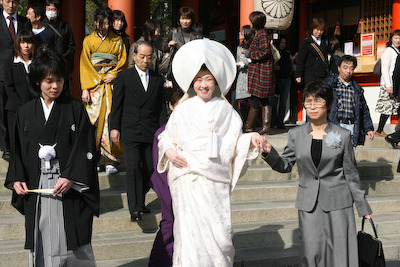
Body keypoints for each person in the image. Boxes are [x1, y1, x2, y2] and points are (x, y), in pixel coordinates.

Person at [157, 39, 266, 267]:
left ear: (216, 80)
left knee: (220, 237)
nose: (203, 85)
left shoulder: (228, 111)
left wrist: (251, 140)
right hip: (188, 181)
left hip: (215, 184)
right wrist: (169, 151)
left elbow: (236, 145)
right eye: (198, 79)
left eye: (208, 78)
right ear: (191, 82)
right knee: (189, 240)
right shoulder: (183, 109)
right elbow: (166, 136)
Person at [4, 46, 99, 267]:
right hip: (38, 187)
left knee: (71, 237)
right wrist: (17, 177)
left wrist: (71, 176)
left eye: (59, 80)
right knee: (40, 235)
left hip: (68, 186)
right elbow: (17, 150)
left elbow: (85, 147)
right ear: (38, 81)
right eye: (48, 81)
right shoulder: (25, 112)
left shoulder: (75, 109)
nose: (55, 86)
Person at [262, 80, 372, 267]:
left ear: (328, 104)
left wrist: (363, 207)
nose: (312, 106)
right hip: (308, 203)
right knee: (310, 252)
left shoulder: (342, 135)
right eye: (308, 101)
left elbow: (351, 174)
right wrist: (268, 152)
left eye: (318, 101)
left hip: (338, 202)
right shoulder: (296, 134)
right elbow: (285, 165)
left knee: (338, 253)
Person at [110, 41, 166, 222]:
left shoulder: (157, 78)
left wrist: (163, 131)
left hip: (150, 130)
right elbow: (116, 105)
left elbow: (160, 109)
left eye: (149, 56)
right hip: (130, 129)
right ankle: (135, 209)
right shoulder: (124, 77)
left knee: (150, 168)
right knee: (133, 167)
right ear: (134, 56)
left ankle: (140, 201)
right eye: (142, 56)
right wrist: (114, 128)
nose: (146, 60)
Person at [80, 6, 127, 174]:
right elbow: (85, 65)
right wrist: (85, 88)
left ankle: (110, 160)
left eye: (107, 23)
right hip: (94, 87)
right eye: (101, 23)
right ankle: (94, 157)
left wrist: (114, 74)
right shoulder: (88, 41)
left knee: (110, 120)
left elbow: (123, 63)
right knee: (92, 121)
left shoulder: (117, 40)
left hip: (111, 85)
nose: (104, 26)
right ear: (95, 22)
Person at [148, 86, 184, 267]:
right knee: (169, 228)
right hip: (169, 190)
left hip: (189, 192)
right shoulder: (162, 133)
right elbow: (159, 170)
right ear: (171, 106)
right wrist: (170, 197)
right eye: (179, 105)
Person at [0, 0, 30, 157]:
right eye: (7, 1)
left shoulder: (25, 22)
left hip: (21, 72)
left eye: (14, 1)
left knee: (20, 108)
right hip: (1, 72)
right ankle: (6, 147)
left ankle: (22, 142)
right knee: (2, 110)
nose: (11, 5)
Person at [327, 55, 374, 147]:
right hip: (334, 125)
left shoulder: (357, 89)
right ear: (339, 68)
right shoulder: (330, 86)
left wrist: (368, 128)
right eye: (345, 67)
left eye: (351, 68)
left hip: (351, 126)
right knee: (333, 156)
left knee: (349, 157)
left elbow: (364, 110)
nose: (348, 71)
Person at [4, 30, 37, 160]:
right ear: (18, 44)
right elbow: (9, 86)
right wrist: (20, 106)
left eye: (29, 42)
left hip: (35, 107)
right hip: (15, 109)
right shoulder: (10, 62)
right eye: (23, 42)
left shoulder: (37, 62)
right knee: (17, 140)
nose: (26, 46)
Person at [245, 11, 275, 135]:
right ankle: (266, 126)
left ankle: (248, 126)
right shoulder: (262, 34)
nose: (250, 23)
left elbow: (265, 52)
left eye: (252, 21)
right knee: (264, 99)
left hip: (261, 73)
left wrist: (251, 56)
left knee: (256, 98)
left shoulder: (261, 35)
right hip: (262, 72)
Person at [161, 6, 202, 79]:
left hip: (191, 69)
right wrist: (168, 45)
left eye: (187, 18)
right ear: (179, 19)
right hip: (176, 68)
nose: (185, 21)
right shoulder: (173, 32)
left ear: (191, 20)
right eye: (182, 18)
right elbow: (162, 46)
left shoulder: (197, 36)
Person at [375, 30, 400, 138]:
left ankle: (381, 130)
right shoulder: (389, 51)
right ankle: (379, 130)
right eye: (395, 38)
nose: (398, 40)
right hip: (388, 84)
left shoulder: (397, 51)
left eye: (399, 38)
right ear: (391, 39)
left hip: (394, 83)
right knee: (386, 107)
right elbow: (385, 69)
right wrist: (389, 85)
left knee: (392, 107)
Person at [43, 0, 76, 73]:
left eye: (53, 9)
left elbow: (71, 46)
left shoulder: (65, 26)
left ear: (58, 11)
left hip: (62, 65)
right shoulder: (42, 26)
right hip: (46, 65)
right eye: (48, 9)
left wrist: (64, 58)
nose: (50, 11)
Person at [295, 17, 329, 85]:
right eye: (317, 29)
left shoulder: (325, 41)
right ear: (312, 28)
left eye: (321, 30)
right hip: (309, 76)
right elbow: (301, 60)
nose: (319, 32)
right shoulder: (306, 42)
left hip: (322, 75)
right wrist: (298, 74)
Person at [271, 35, 293, 129]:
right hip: (276, 79)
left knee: (283, 102)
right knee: (274, 102)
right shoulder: (274, 52)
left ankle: (280, 122)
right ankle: (273, 122)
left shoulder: (287, 53)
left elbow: (290, 67)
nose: (283, 45)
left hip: (286, 78)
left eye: (284, 43)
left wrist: (280, 68)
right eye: (281, 43)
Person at [235, 25, 254, 126]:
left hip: (251, 76)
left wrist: (246, 61)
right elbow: (239, 60)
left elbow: (255, 59)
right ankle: (245, 122)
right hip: (242, 76)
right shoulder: (239, 47)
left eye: (241, 32)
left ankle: (251, 124)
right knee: (241, 101)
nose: (239, 34)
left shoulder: (254, 46)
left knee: (251, 101)